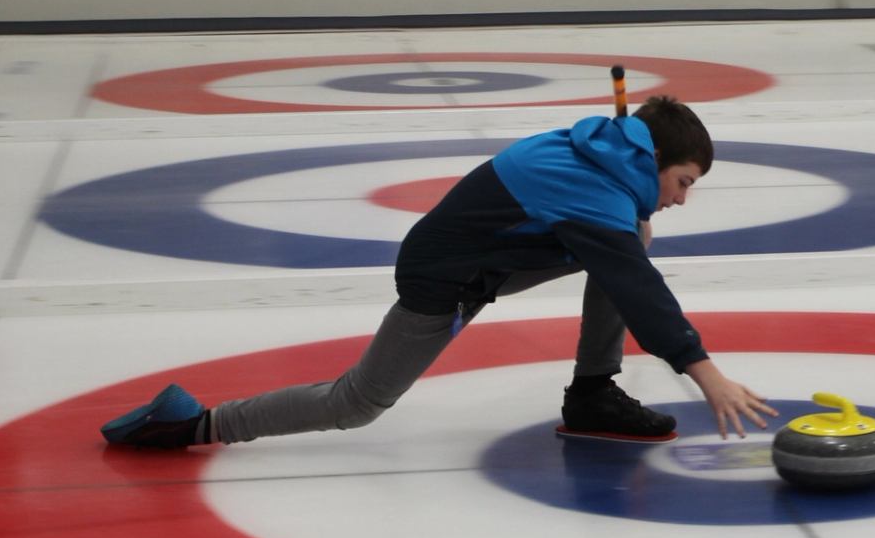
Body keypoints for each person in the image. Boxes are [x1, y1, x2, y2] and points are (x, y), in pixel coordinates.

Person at [100, 96, 779, 448]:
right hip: (443, 277)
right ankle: (192, 426)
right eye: (683, 182)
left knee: (625, 244)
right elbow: (639, 289)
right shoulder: (593, 190)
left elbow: (618, 247)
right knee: (356, 403)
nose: (682, 198)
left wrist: (633, 216)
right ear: (653, 159)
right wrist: (704, 370)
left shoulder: (603, 153)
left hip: (496, 255)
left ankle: (593, 395)